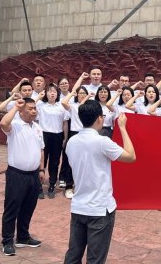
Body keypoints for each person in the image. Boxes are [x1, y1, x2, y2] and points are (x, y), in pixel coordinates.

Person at [64, 101, 136, 264]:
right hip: (99, 209)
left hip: (79, 206)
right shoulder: (102, 142)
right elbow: (131, 156)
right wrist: (123, 128)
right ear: (99, 118)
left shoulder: (71, 142)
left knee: (73, 255)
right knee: (95, 259)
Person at [0, 98, 45, 256]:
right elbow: (3, 123)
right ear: (21, 111)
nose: (34, 111)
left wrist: (41, 169)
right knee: (12, 208)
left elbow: (41, 149)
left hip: (33, 174)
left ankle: (23, 237)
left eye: (35, 108)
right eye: (30, 108)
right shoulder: (15, 126)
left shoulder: (37, 127)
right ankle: (7, 241)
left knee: (28, 207)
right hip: (16, 174)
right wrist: (15, 108)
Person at [61, 86, 93, 199]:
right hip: (74, 134)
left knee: (86, 161)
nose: (82, 95)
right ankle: (69, 186)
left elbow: (83, 107)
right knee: (72, 161)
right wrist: (71, 94)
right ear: (77, 95)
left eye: (84, 93)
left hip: (87, 133)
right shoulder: (73, 106)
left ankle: (83, 186)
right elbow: (64, 102)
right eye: (80, 93)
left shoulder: (89, 107)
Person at [36, 83, 67, 199]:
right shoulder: (41, 105)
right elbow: (30, 105)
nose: (52, 93)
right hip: (44, 135)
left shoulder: (61, 106)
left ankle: (52, 185)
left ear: (57, 94)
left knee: (54, 162)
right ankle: (39, 186)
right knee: (42, 161)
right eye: (50, 91)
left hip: (57, 136)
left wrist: (65, 138)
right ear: (46, 93)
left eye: (54, 91)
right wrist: (39, 96)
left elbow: (65, 123)